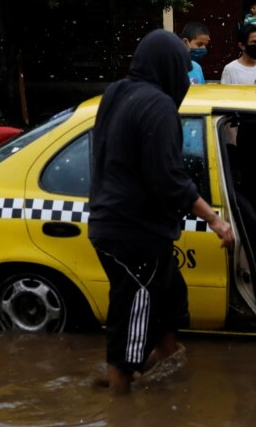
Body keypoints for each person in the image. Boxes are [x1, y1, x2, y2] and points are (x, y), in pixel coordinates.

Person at [89, 30, 234, 395]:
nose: (186, 79)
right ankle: (121, 404)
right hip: (133, 232)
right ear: (167, 67)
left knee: (169, 294)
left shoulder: (117, 92)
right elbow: (169, 179)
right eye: (182, 70)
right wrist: (215, 220)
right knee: (132, 313)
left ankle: (166, 357)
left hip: (114, 220)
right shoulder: (159, 107)